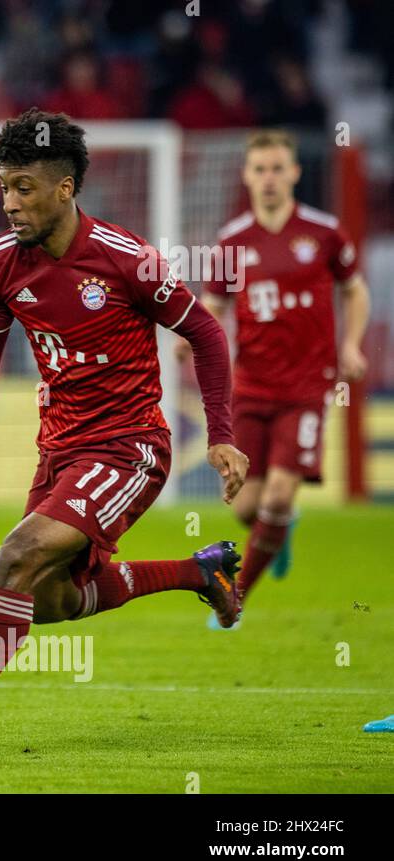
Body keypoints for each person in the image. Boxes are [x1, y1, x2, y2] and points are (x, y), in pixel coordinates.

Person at [0, 109, 247, 763]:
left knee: (15, 556)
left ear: (64, 190)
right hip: (60, 453)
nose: (9, 202)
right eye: (4, 187)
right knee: (46, 601)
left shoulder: (126, 260)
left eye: (23, 188)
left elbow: (207, 334)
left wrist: (220, 433)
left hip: (130, 447)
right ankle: (199, 570)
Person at [179, 129, 369, 628]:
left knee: (279, 496)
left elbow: (355, 290)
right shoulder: (233, 242)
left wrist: (350, 344)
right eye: (260, 169)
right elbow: (215, 306)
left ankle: (233, 600)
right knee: (248, 506)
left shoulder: (324, 233)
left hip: (307, 385)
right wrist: (191, 336)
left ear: (294, 172)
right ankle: (279, 532)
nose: (269, 178)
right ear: (247, 175)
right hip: (250, 387)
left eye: (277, 168)